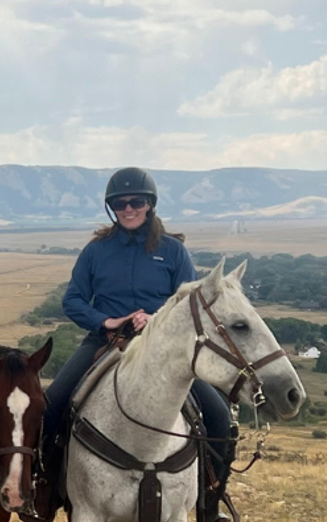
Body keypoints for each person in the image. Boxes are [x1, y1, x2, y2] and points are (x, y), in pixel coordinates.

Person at [38, 166, 237, 501]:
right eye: (120, 204)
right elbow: (72, 299)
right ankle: (46, 490)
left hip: (163, 348)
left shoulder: (173, 250)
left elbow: (190, 303)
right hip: (106, 342)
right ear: (111, 209)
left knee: (218, 416)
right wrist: (107, 321)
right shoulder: (96, 251)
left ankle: (212, 497)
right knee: (52, 403)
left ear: (150, 204)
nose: (128, 209)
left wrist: (156, 318)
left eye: (136, 202)